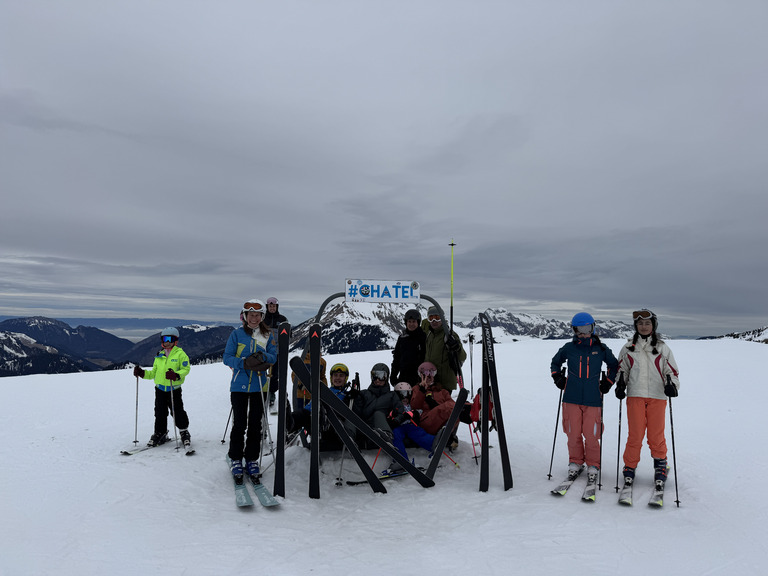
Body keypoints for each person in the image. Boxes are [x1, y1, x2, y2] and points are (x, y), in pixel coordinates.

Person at [550, 312, 618, 486]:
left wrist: (608, 382)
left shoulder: (601, 349)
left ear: (593, 328)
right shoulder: (568, 348)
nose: (583, 333)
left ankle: (593, 465)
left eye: (586, 328)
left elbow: (614, 365)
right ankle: (576, 462)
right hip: (571, 397)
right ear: (574, 330)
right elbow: (555, 363)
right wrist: (558, 377)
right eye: (579, 329)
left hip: (593, 398)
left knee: (592, 434)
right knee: (572, 433)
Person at [615, 309, 680, 489]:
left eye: (647, 323)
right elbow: (622, 370)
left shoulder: (662, 348)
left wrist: (672, 385)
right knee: (635, 435)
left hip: (657, 397)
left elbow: (672, 371)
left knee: (655, 434)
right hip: (635, 395)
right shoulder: (628, 347)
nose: (644, 327)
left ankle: (660, 465)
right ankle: (630, 466)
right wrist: (620, 385)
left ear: (653, 325)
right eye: (640, 324)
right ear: (636, 326)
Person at [223, 299, 277, 479]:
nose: (254, 318)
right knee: (240, 424)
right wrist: (244, 363)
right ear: (245, 316)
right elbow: (227, 358)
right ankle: (236, 458)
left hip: (259, 386)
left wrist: (263, 357)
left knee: (255, 425)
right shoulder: (236, 334)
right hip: (239, 386)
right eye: (250, 315)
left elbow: (274, 357)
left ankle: (251, 459)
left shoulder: (268, 335)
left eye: (257, 315)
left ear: (262, 316)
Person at [133, 327, 192, 448]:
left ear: (175, 341)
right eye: (165, 339)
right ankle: (160, 432)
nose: (167, 342)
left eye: (170, 339)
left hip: (173, 389)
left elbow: (186, 369)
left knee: (177, 411)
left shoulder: (181, 354)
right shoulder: (159, 355)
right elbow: (154, 373)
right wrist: (142, 373)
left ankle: (184, 431)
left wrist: (176, 375)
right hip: (160, 389)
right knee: (160, 412)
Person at [296, 362, 358, 450]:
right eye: (335, 375)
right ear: (331, 378)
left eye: (341, 375)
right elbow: (308, 409)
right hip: (318, 425)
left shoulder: (348, 395)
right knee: (304, 414)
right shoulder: (324, 392)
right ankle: (290, 421)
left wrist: (354, 396)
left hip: (336, 430)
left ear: (345, 378)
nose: (338, 378)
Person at [385, 382, 441, 473]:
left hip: (410, 426)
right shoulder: (394, 405)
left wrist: (414, 414)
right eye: (402, 394)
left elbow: (418, 411)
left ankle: (434, 443)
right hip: (398, 427)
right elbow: (389, 416)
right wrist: (395, 416)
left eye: (407, 394)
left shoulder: (412, 404)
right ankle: (401, 460)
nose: (405, 397)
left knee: (418, 433)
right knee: (396, 435)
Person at [352, 362, 400, 442]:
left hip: (383, 426)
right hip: (365, 427)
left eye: (381, 376)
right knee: (351, 415)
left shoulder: (392, 395)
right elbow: (356, 412)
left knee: (378, 414)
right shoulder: (364, 394)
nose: (377, 380)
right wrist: (355, 398)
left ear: (386, 377)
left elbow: (400, 412)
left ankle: (386, 436)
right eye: (375, 376)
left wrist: (395, 421)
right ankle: (349, 437)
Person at [423, 306, 466, 392]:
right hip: (431, 380)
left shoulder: (449, 335)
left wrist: (457, 347)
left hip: (445, 383)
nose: (434, 321)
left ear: (442, 318)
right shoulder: (430, 335)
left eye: (437, 318)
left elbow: (462, 357)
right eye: (431, 318)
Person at [390, 308, 426, 387]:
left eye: (414, 321)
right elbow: (397, 358)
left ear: (418, 322)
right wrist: (393, 375)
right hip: (403, 377)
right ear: (406, 322)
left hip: (419, 379)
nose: (411, 324)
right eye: (409, 322)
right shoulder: (402, 338)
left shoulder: (423, 337)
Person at [264, 297, 288, 410]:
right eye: (270, 306)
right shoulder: (263, 319)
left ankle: (272, 393)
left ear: (277, 307)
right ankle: (262, 391)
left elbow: (288, 334)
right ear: (267, 307)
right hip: (264, 351)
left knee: (274, 374)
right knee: (262, 371)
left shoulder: (282, 319)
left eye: (274, 306)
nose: (272, 308)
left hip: (277, 352)